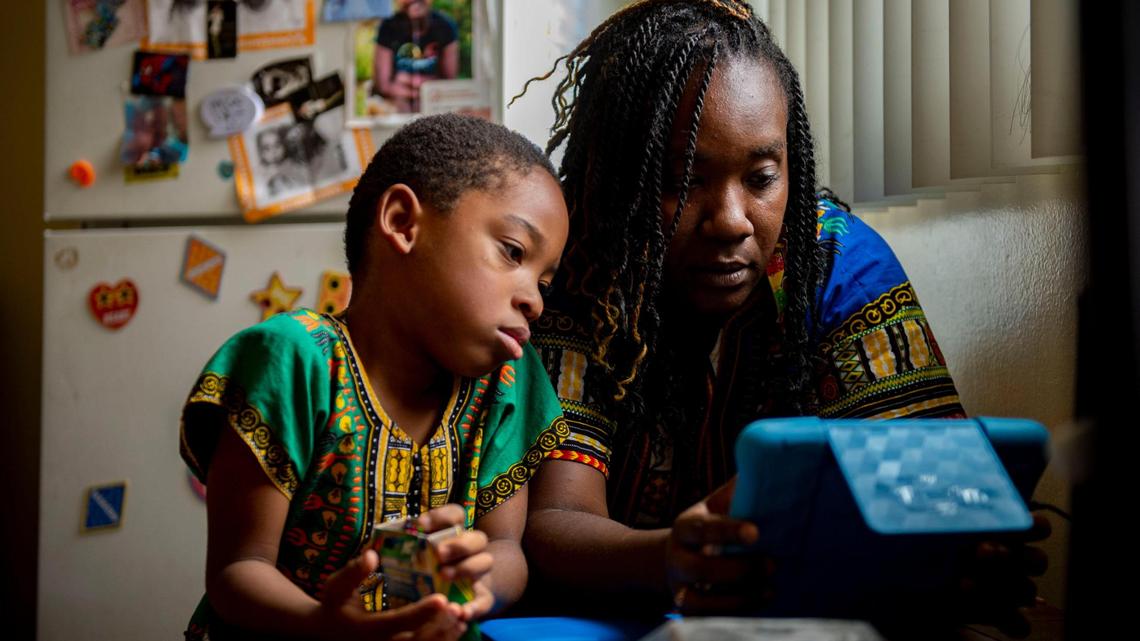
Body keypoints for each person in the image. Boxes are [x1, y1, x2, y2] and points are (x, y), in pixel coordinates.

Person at [521, 0, 1049, 634]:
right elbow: (553, 523)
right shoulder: (577, 275)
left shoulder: (832, 263)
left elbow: (926, 482)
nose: (732, 220)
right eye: (683, 180)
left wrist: (968, 548)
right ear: (619, 181)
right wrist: (672, 557)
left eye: (762, 176)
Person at [180, 113, 570, 640]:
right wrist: (324, 625)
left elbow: (506, 551)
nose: (535, 300)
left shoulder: (505, 385)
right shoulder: (293, 362)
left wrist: (474, 583)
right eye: (514, 253)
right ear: (404, 223)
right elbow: (237, 571)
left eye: (544, 281)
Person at [372, 0, 460, 113]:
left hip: (434, 102)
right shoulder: (388, 27)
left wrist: (420, 88)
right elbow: (383, 85)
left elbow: (450, 81)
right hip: (398, 103)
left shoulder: (445, 26)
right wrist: (416, 90)